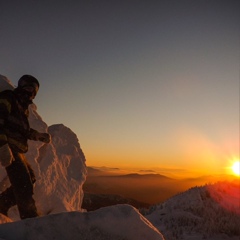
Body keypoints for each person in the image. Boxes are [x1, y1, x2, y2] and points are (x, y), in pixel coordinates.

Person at [0, 75, 51, 219]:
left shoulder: (22, 108)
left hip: (17, 149)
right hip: (8, 147)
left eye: (34, 91)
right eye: (28, 87)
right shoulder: (9, 98)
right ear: (21, 86)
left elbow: (23, 131)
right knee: (23, 185)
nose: (31, 93)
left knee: (30, 179)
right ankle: (29, 220)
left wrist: (38, 136)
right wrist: (2, 146)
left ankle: (2, 203)